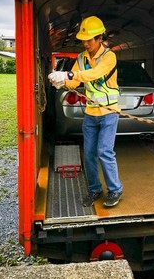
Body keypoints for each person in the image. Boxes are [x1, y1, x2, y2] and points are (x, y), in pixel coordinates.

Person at [48, 16, 123, 208]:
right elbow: (75, 82)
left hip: (109, 113)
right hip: (91, 114)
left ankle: (115, 190)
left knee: (104, 152)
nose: (85, 43)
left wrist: (69, 74)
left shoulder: (109, 57)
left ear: (100, 38)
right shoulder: (81, 59)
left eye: (89, 39)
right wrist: (62, 81)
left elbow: (95, 74)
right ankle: (95, 189)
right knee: (89, 154)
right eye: (84, 39)